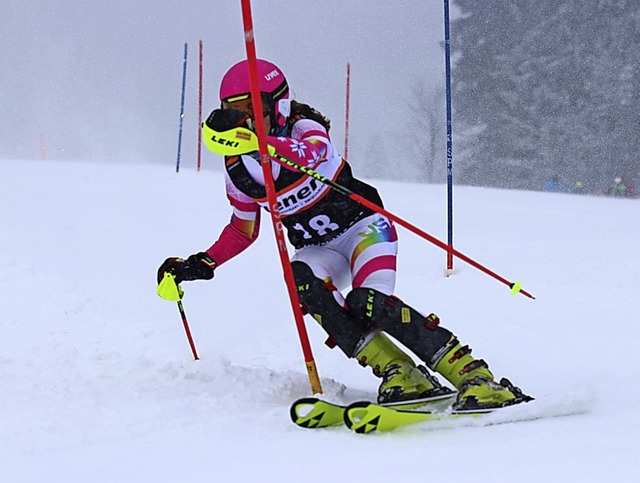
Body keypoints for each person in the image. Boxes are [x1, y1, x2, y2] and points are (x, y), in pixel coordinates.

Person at [157, 59, 531, 410]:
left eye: (255, 108)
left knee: (368, 301)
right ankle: (400, 372)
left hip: (363, 229)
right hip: (319, 248)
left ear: (280, 105)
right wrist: (202, 263)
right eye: (237, 110)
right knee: (300, 281)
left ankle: (474, 374)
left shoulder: (303, 127)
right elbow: (243, 229)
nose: (248, 119)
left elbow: (312, 155)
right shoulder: (238, 169)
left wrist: (262, 145)